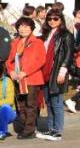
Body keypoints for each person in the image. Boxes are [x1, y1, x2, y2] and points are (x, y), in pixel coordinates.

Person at [5, 17, 46, 140]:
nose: (23, 29)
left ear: (31, 28)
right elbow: (9, 61)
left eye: (26, 26)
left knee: (30, 105)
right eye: (20, 26)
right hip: (17, 78)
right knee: (21, 105)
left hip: (32, 78)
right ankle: (25, 126)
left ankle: (29, 130)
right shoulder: (15, 42)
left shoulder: (37, 42)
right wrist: (11, 71)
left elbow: (40, 60)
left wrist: (25, 72)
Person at [39, 10, 73, 140]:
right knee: (48, 102)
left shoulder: (66, 35)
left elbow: (68, 55)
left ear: (61, 20)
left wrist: (62, 71)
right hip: (46, 71)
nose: (52, 21)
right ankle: (50, 128)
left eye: (55, 18)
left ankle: (57, 130)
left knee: (57, 102)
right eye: (49, 19)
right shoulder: (46, 34)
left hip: (57, 71)